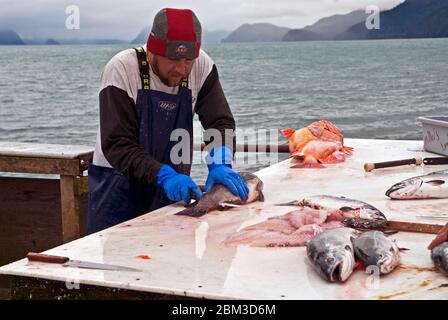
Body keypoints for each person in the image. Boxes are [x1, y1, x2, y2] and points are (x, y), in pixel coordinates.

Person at [87, 8, 249, 233]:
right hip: (118, 186)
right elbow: (117, 144)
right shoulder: (122, 69)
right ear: (152, 51)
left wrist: (220, 160)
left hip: (172, 189)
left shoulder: (202, 66)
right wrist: (164, 175)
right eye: (173, 60)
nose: (182, 69)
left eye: (188, 60)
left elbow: (219, 122)